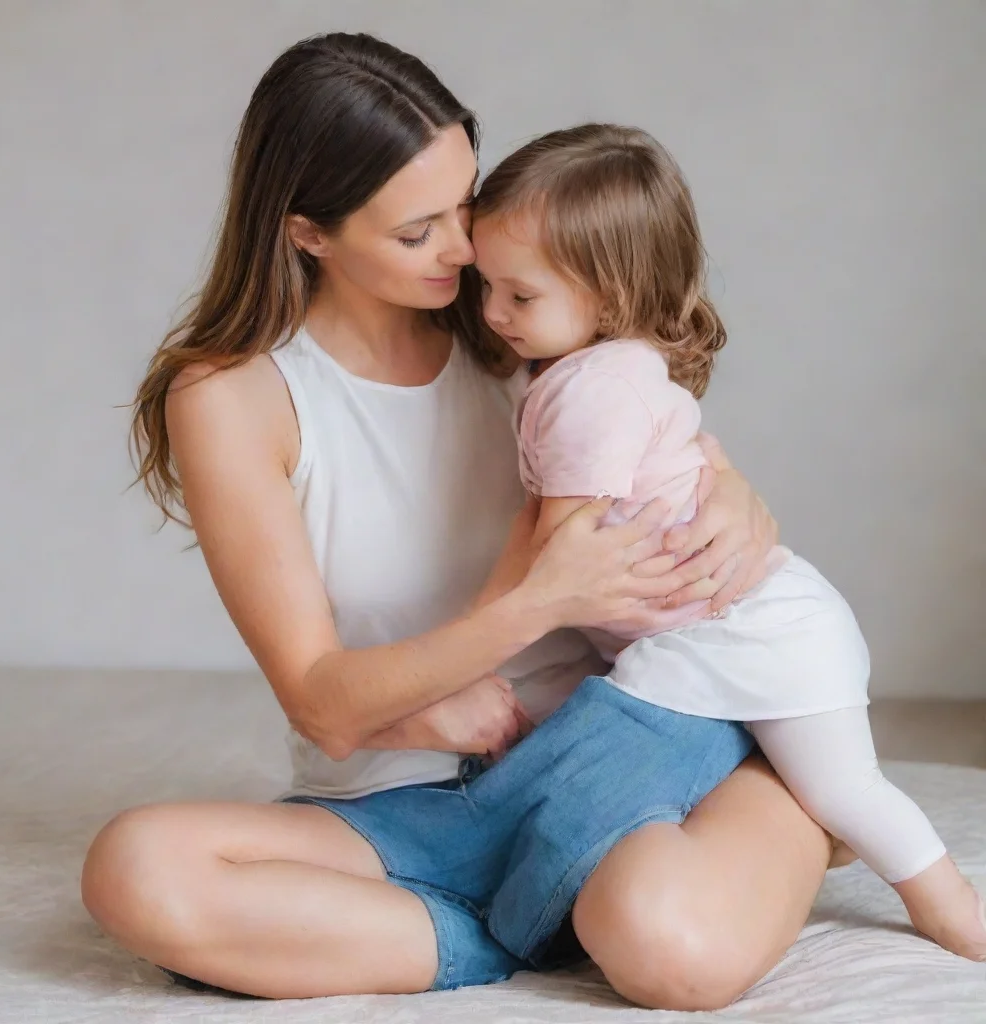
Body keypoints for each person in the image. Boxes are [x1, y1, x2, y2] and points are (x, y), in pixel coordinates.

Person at [80, 34, 834, 1010]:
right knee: (136, 868)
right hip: (392, 803)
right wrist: (526, 611)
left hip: (598, 756)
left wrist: (736, 495)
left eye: (465, 206)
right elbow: (324, 706)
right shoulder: (232, 395)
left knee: (669, 951)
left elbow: (663, 438)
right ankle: (518, 921)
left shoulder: (514, 322)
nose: (464, 249)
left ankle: (793, 799)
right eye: (416, 232)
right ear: (308, 232)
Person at [470, 122, 986, 962]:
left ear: (609, 293)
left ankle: (951, 904)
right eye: (484, 284)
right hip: (712, 632)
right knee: (816, 779)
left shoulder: (593, 392)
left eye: (518, 296)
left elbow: (560, 554)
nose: (492, 312)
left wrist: (474, 647)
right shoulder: (598, 367)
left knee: (845, 787)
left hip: (750, 631)